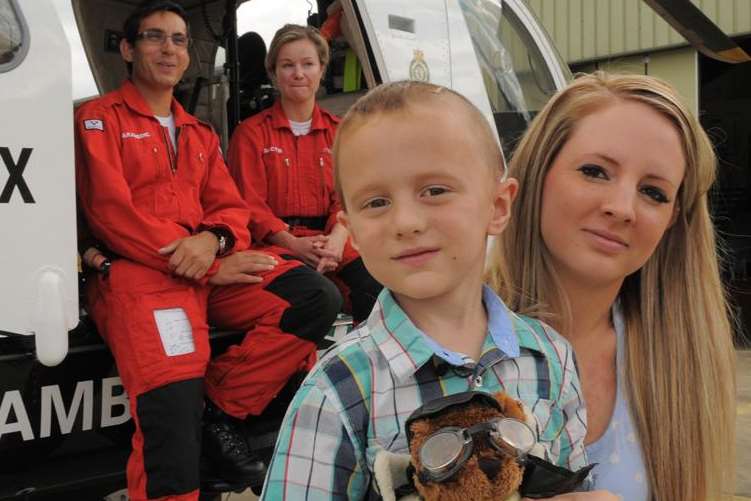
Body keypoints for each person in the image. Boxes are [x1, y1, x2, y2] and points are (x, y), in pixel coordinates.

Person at [260, 81, 591, 500]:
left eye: (434, 191)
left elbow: (574, 482)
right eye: (376, 202)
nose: (407, 222)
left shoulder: (551, 358)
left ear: (498, 206)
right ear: (353, 232)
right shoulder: (338, 387)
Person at [74, 2, 341, 500]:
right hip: (144, 281)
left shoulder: (199, 134)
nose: (169, 49)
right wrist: (202, 264)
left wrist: (213, 247)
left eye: (178, 39)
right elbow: (113, 216)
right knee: (170, 426)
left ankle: (218, 408)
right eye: (155, 38)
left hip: (206, 271)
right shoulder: (98, 119)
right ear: (128, 50)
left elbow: (230, 210)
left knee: (314, 297)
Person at [489, 72, 737, 501]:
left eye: (654, 193)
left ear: (673, 220)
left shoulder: (679, 365)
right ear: (536, 171)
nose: (622, 208)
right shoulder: (432, 345)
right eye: (595, 171)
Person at [227, 24, 382, 324]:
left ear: (322, 69)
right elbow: (249, 204)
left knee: (380, 287)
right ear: (273, 73)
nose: (298, 73)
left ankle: (363, 364)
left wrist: (338, 237)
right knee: (318, 297)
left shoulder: (340, 132)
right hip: (274, 244)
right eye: (287, 65)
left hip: (333, 239)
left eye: (308, 64)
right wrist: (293, 244)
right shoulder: (250, 134)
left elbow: (350, 196)